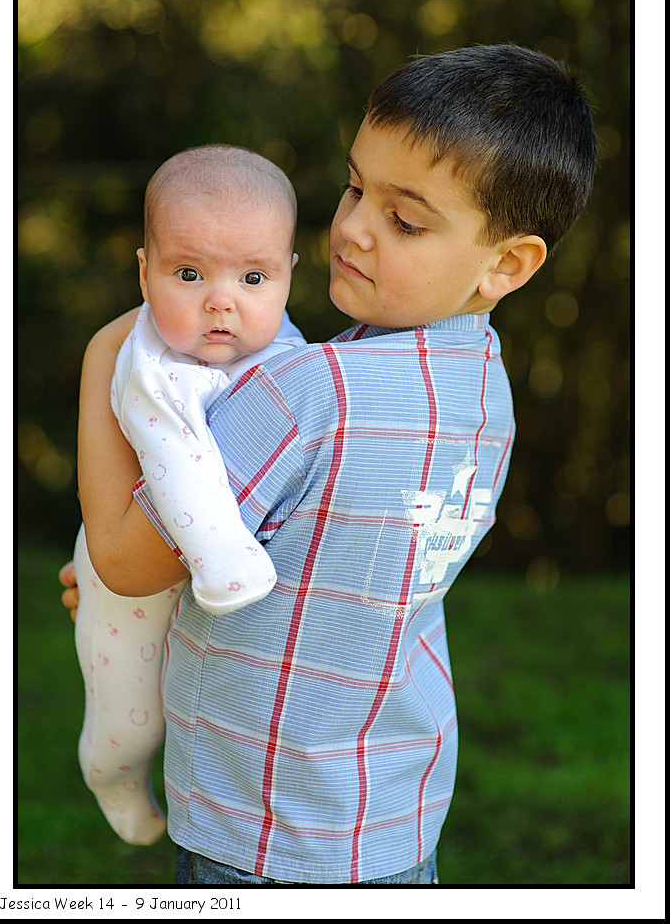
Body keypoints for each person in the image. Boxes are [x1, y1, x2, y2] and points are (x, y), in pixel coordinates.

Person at [61, 45, 597, 884]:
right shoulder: (486, 395)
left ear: (507, 264)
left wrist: (104, 358)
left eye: (405, 220)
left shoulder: (307, 393)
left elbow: (126, 562)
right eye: (354, 188)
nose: (352, 227)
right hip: (391, 813)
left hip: (258, 820)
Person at [71, 145, 304, 845]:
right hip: (136, 583)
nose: (221, 301)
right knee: (131, 718)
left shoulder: (293, 358)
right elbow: (177, 462)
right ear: (145, 274)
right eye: (190, 274)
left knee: (215, 713)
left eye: (253, 277)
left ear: (289, 276)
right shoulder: (145, 362)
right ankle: (108, 773)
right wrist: (226, 565)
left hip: (232, 602)